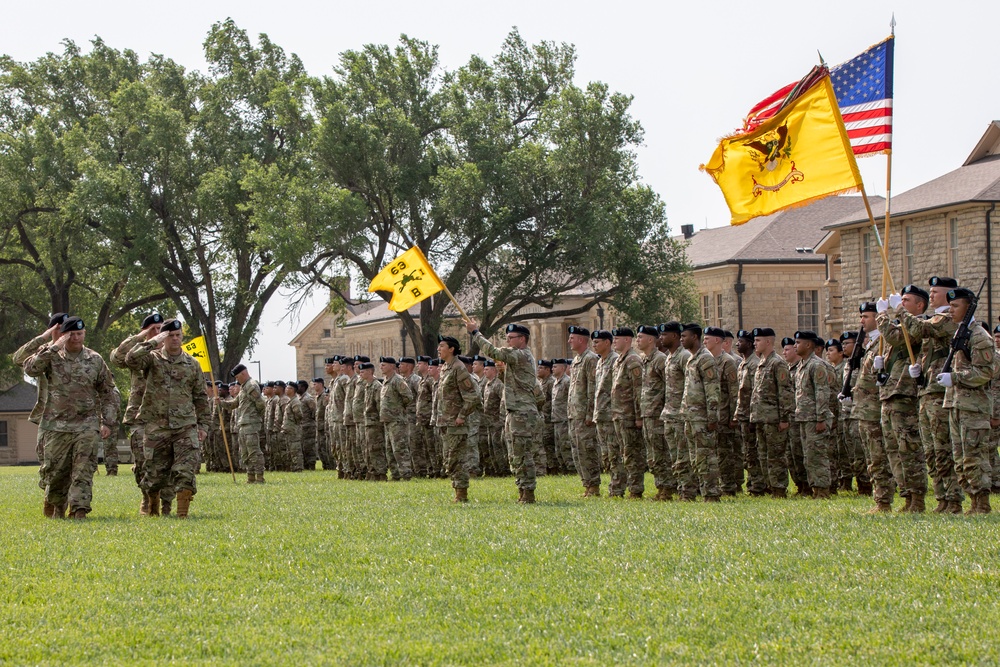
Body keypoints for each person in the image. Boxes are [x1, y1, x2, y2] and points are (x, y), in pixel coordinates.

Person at [23, 316, 118, 519]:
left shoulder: (95, 359)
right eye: (71, 334)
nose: (76, 338)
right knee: (56, 472)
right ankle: (57, 505)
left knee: (83, 470)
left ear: (84, 334)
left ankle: (79, 510)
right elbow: (30, 368)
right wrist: (54, 347)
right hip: (55, 425)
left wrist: (107, 421)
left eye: (79, 334)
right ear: (64, 335)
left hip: (86, 425)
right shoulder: (52, 356)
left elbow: (108, 392)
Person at [125, 318, 210, 518]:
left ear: (182, 337)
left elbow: (200, 397)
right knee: (154, 476)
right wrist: (154, 341)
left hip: (185, 427)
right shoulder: (151, 359)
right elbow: (130, 359)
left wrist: (204, 425)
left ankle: (182, 515)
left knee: (185, 471)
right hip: (156, 427)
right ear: (163, 338)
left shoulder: (192, 364)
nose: (174, 339)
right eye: (169, 336)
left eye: (177, 335)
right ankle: (153, 510)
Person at [895, 277, 962, 513]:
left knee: (943, 447)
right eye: (930, 292)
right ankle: (942, 498)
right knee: (932, 450)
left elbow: (921, 328)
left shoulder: (948, 318)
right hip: (927, 390)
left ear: (950, 295)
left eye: (935, 292)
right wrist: (919, 370)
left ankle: (953, 499)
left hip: (939, 393)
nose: (931, 295)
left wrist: (900, 312)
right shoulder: (936, 318)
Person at [468, 321, 541, 503]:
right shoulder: (517, 357)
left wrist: (476, 332)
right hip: (514, 410)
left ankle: (528, 491)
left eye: (511, 338)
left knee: (522, 453)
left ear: (522, 339)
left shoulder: (521, 354)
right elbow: (513, 382)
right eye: (506, 338)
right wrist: (501, 372)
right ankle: (522, 489)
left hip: (522, 411)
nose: (508, 341)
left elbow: (494, 352)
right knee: (515, 453)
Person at [937, 287, 996, 514]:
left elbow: (984, 373)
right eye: (950, 306)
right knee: (960, 458)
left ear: (969, 307)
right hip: (957, 404)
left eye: (956, 306)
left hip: (974, 407)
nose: (951, 310)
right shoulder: (961, 333)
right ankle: (972, 501)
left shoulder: (979, 337)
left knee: (974, 456)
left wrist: (955, 378)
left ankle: (982, 504)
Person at [875, 285, 930, 512]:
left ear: (920, 305)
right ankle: (906, 495)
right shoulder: (901, 324)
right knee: (894, 450)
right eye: (901, 300)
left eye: (906, 300)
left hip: (906, 393)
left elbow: (898, 338)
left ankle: (917, 498)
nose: (902, 303)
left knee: (909, 448)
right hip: (890, 393)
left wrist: (882, 317)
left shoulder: (920, 326)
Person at [847, 302, 897, 513]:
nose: (862, 321)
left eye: (866, 316)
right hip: (865, 409)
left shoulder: (885, 343)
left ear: (878, 317)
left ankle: (884, 500)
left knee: (879, 457)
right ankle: (880, 499)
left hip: (876, 409)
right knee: (871, 458)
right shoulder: (871, 345)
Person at [12, 312, 69, 491]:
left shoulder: (79, 352)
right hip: (48, 415)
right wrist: (43, 337)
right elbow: (18, 358)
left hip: (75, 414)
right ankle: (50, 498)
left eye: (66, 328)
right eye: (59, 328)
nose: (63, 332)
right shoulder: (42, 351)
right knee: (48, 460)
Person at [437, 336, 482, 501]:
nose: (438, 349)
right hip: (446, 421)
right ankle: (457, 491)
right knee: (450, 458)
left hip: (456, 423)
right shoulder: (445, 367)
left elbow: (473, 396)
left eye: (442, 346)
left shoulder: (458, 367)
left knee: (457, 459)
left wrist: (462, 416)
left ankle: (461, 494)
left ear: (452, 349)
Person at [750, 328, 793, 498]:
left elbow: (785, 392)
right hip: (761, 417)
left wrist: (784, 418)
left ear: (768, 342)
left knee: (776, 455)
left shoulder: (777, 363)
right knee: (763, 454)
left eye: (758, 340)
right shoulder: (762, 362)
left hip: (774, 418)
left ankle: (779, 489)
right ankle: (770, 486)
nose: (755, 343)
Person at [682, 323, 722, 502]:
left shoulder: (705, 359)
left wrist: (712, 417)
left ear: (695, 337)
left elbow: (713, 390)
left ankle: (712, 494)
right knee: (695, 457)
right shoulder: (692, 358)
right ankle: (700, 490)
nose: (682, 339)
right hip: (691, 417)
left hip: (702, 417)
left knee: (706, 456)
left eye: (685, 336)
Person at [792, 331, 833, 498]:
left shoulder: (816, 365)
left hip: (815, 418)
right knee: (808, 456)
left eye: (798, 342)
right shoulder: (802, 365)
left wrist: (821, 418)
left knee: (817, 455)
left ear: (808, 345)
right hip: (804, 417)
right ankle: (814, 488)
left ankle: (823, 490)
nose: (795, 346)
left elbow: (822, 392)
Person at [636, 325, 671, 500]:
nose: (637, 340)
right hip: (648, 413)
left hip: (658, 414)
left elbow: (669, 387)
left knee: (661, 452)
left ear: (651, 339)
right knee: (652, 454)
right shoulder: (644, 359)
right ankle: (661, 487)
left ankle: (667, 488)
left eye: (641, 337)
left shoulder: (660, 359)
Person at [704, 326, 739, 496]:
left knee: (725, 453)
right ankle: (716, 484)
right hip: (712, 414)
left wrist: (734, 416)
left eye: (707, 338)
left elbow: (734, 392)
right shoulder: (707, 360)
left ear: (717, 340)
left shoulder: (728, 362)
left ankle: (728, 487)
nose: (704, 341)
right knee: (714, 453)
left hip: (724, 415)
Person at [567, 326, 601, 496]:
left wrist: (590, 414)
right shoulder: (576, 360)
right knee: (577, 451)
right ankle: (586, 484)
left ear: (581, 339)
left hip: (584, 415)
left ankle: (593, 485)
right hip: (574, 414)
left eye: (572, 338)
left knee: (588, 450)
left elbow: (592, 388)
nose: (569, 341)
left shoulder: (591, 359)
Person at [219, 364, 266, 483]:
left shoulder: (251, 385)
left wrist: (256, 417)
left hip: (251, 423)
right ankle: (250, 477)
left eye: (237, 377)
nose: (236, 380)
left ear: (243, 374)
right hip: (243, 423)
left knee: (254, 450)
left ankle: (259, 477)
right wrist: (221, 402)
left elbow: (261, 403)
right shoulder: (244, 387)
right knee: (245, 452)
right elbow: (235, 404)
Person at [735, 330, 765, 496]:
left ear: (750, 344)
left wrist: (753, 415)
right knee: (747, 452)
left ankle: (758, 486)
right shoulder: (742, 364)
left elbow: (756, 392)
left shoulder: (755, 363)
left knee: (754, 452)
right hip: (743, 414)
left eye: (741, 341)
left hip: (752, 415)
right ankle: (752, 483)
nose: (737, 344)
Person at [380, 356, 415, 480]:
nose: (381, 367)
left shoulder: (397, 380)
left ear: (391, 366)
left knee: (399, 449)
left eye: (384, 365)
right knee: (389, 450)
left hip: (397, 420)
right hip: (387, 420)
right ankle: (395, 475)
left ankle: (405, 474)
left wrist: (398, 408)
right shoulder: (386, 380)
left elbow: (408, 396)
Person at [550, 358, 572, 475]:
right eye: (552, 367)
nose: (552, 369)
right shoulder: (555, 382)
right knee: (558, 448)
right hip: (556, 419)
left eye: (555, 367)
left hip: (564, 419)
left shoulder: (567, 382)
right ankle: (563, 470)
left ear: (563, 368)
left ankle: (571, 470)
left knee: (566, 446)